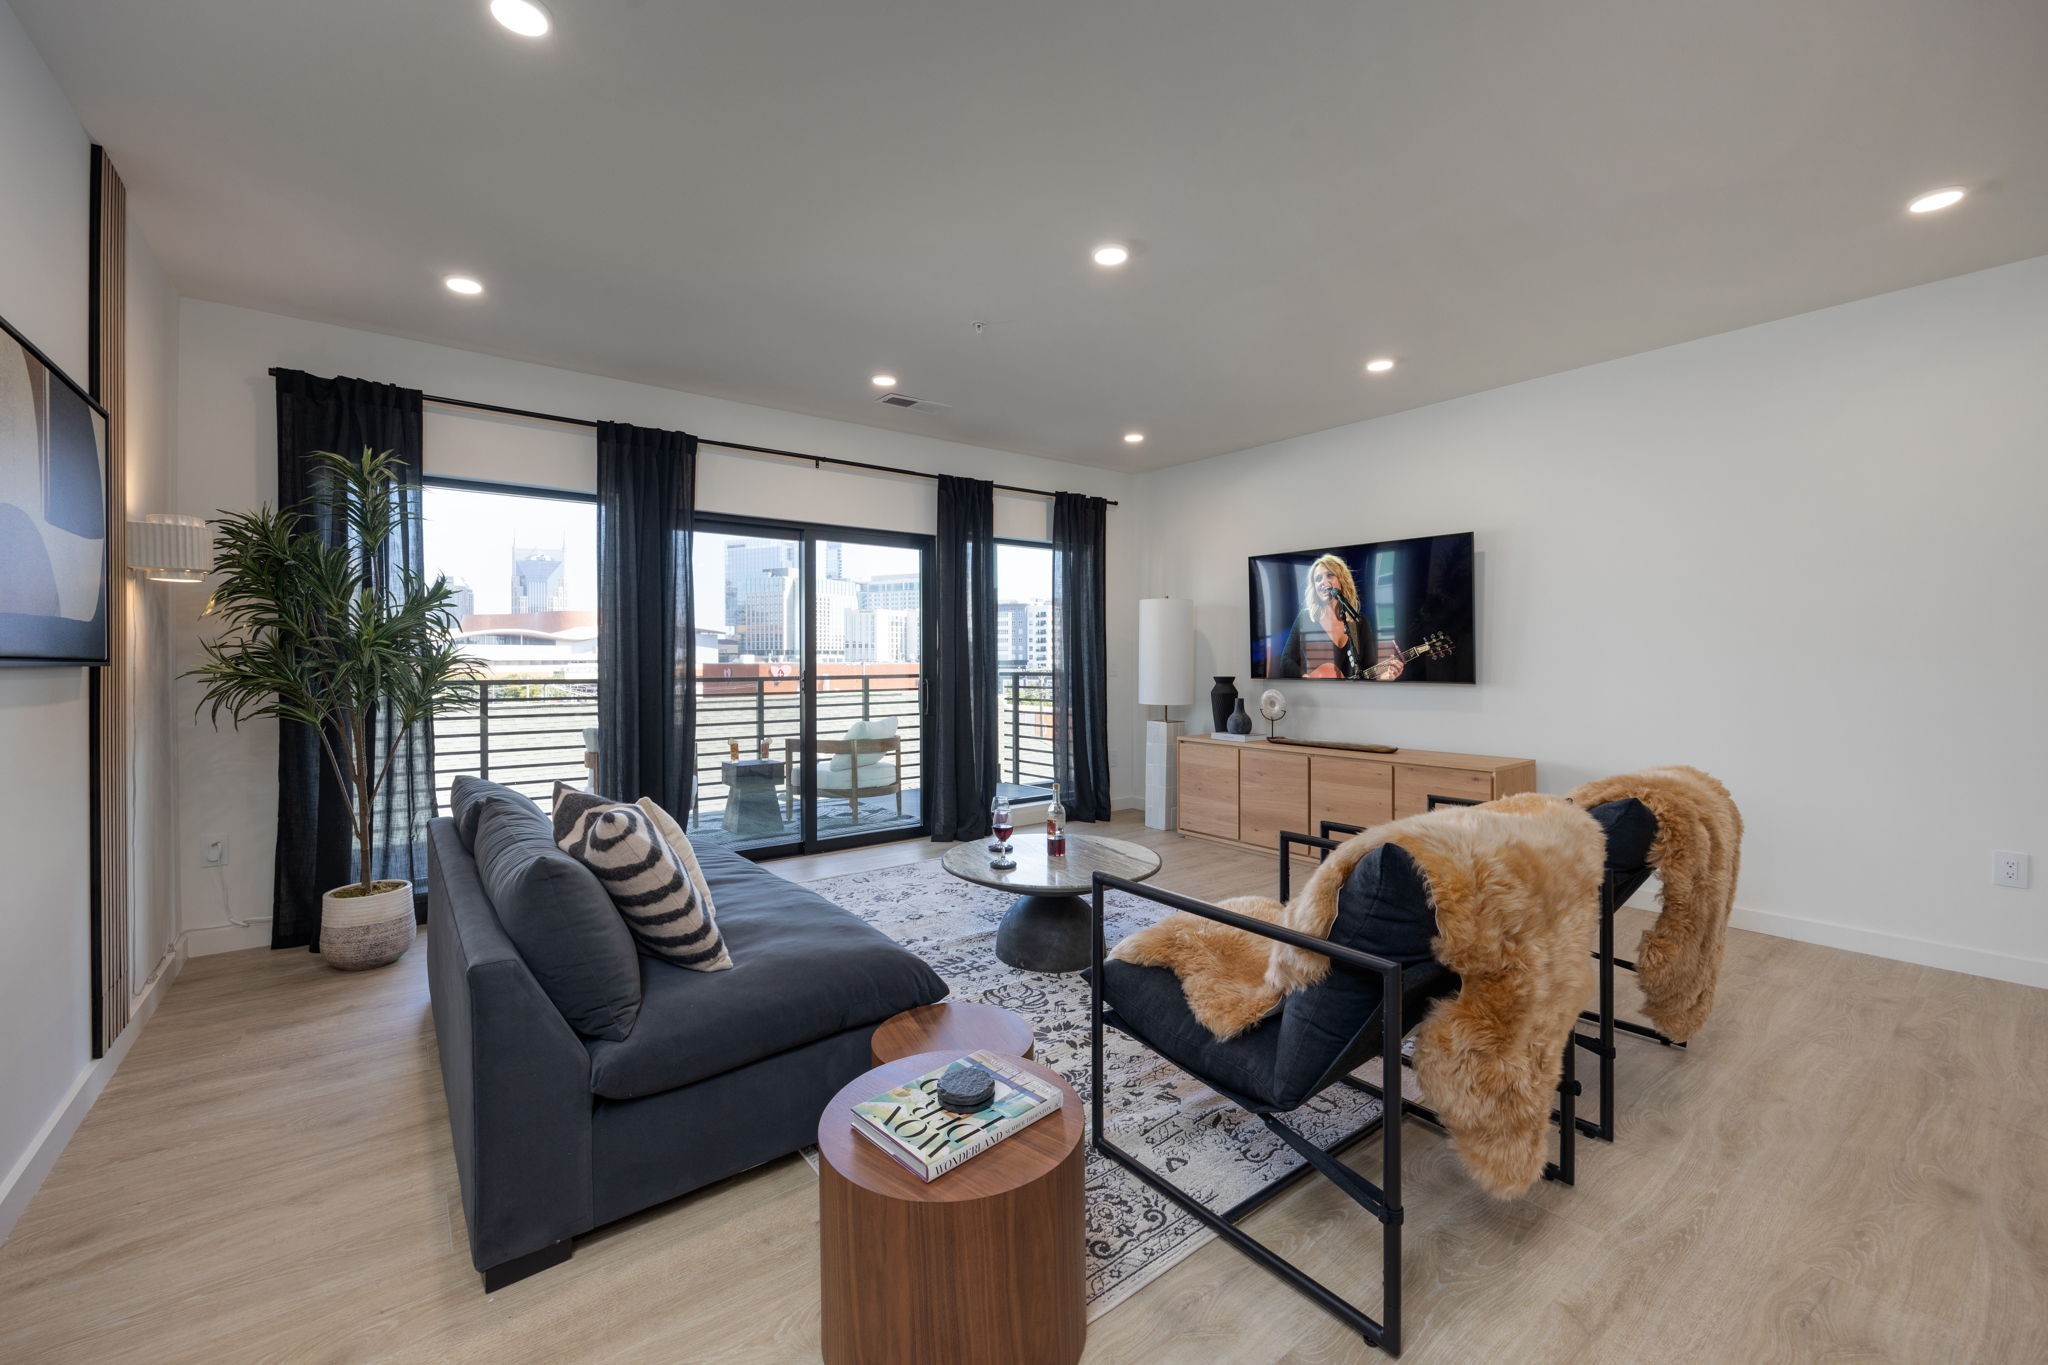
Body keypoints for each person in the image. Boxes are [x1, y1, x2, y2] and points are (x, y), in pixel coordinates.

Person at [1275, 553, 1405, 680]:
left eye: (1330, 575)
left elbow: (1367, 669)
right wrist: (1307, 678)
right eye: (1318, 579)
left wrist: (1385, 676)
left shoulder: (1359, 622)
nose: (1323, 582)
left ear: (1342, 580)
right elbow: (1286, 661)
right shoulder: (1306, 618)